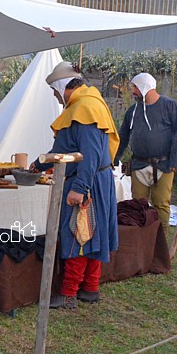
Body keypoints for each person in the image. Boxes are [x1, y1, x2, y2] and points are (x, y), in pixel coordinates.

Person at [30, 62, 119, 309]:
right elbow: (64, 148)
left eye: (55, 90)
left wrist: (79, 188)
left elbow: (89, 155)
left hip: (88, 180)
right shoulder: (84, 105)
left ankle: (69, 292)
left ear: (63, 86)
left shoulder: (86, 108)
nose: (55, 95)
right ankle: (89, 288)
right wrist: (39, 164)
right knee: (91, 234)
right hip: (94, 179)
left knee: (78, 236)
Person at [114, 73, 177, 230]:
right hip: (139, 164)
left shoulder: (171, 106)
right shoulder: (133, 111)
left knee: (161, 204)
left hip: (164, 164)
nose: (132, 91)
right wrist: (114, 158)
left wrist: (175, 162)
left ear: (144, 87)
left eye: (135, 87)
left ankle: (158, 246)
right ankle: (140, 243)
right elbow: (123, 135)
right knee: (137, 205)